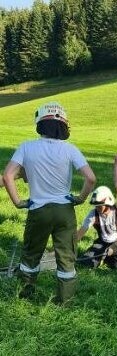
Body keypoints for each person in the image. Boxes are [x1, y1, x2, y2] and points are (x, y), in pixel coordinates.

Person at [3, 101, 96, 304]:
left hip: (38, 209)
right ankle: (65, 300)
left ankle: (25, 294)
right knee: (66, 257)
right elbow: (91, 178)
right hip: (65, 210)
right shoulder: (70, 149)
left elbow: (8, 176)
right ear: (64, 125)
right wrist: (80, 198)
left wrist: (18, 202)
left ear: (40, 123)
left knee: (31, 254)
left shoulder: (26, 147)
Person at [75, 186, 117, 269]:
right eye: (96, 205)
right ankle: (104, 256)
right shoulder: (93, 213)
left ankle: (116, 256)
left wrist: (116, 245)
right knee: (86, 262)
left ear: (108, 203)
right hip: (103, 242)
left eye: (100, 205)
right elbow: (80, 233)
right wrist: (68, 247)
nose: (97, 208)